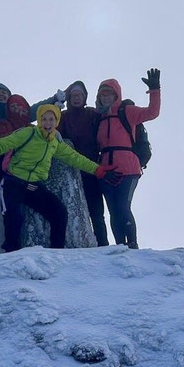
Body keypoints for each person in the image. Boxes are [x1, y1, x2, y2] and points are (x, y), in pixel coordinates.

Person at [0, 104, 121, 252]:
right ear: (39, 120)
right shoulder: (28, 133)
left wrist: (99, 171)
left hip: (33, 186)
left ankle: (56, 252)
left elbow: (76, 158)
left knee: (59, 212)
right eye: (44, 119)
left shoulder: (55, 144)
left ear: (56, 121)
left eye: (51, 119)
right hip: (13, 182)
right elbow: (2, 145)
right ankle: (12, 254)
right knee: (13, 217)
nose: (47, 123)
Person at [94, 69, 161, 249]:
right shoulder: (98, 117)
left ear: (116, 95)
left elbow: (152, 112)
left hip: (128, 168)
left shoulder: (127, 111)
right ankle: (120, 246)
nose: (105, 97)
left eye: (109, 94)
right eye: (102, 94)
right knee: (113, 211)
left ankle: (132, 245)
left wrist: (154, 90)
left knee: (123, 206)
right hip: (106, 170)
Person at [55, 81, 109, 246]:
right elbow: (53, 132)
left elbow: (107, 121)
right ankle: (75, 243)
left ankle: (103, 244)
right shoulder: (63, 117)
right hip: (71, 173)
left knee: (96, 213)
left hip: (92, 170)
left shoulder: (92, 115)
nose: (76, 98)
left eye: (79, 95)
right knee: (73, 210)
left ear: (85, 96)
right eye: (73, 95)